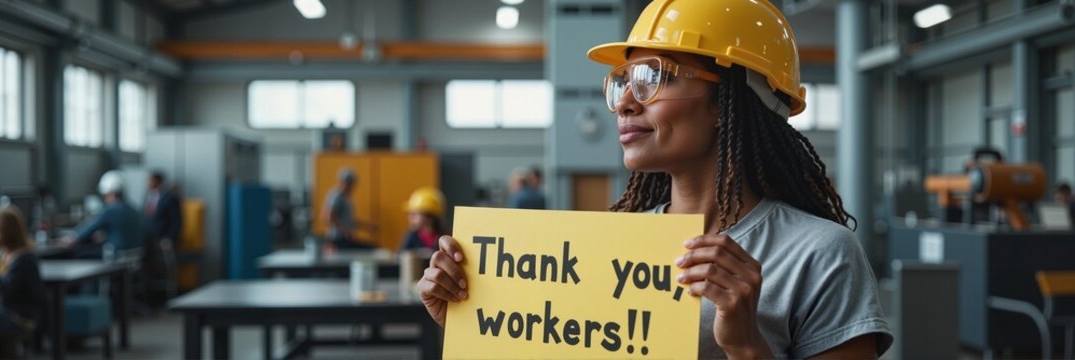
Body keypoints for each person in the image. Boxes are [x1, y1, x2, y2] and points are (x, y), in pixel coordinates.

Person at [418, 0, 893, 358]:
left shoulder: (821, 254)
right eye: (623, 81)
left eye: (653, 77)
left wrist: (747, 346)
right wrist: (471, 324)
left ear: (729, 101)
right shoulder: (615, 246)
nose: (626, 101)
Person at [0, 206, 46, 357]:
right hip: (4, 310)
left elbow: (6, 290)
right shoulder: (3, 253)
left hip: (19, 317)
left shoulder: (24, 258)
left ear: (8, 232)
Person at [61, 170, 144, 259]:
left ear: (110, 194)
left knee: (78, 253)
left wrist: (69, 239)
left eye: (105, 196)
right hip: (134, 256)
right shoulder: (134, 209)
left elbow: (87, 229)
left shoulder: (110, 210)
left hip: (115, 254)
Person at [322, 168, 377, 249]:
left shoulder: (346, 199)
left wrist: (366, 226)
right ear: (341, 182)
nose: (349, 186)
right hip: (338, 239)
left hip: (346, 238)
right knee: (371, 250)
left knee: (372, 248)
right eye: (347, 183)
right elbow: (329, 218)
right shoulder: (337, 196)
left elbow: (349, 221)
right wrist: (345, 232)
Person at [400, 187, 447, 252]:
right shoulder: (411, 236)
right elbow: (401, 256)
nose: (410, 217)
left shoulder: (446, 237)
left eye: (415, 214)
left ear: (429, 216)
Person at [144, 171, 182, 249]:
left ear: (157, 181)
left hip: (162, 235)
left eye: (150, 180)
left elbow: (176, 219)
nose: (147, 183)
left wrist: (170, 237)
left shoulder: (169, 197)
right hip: (148, 234)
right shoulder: (148, 195)